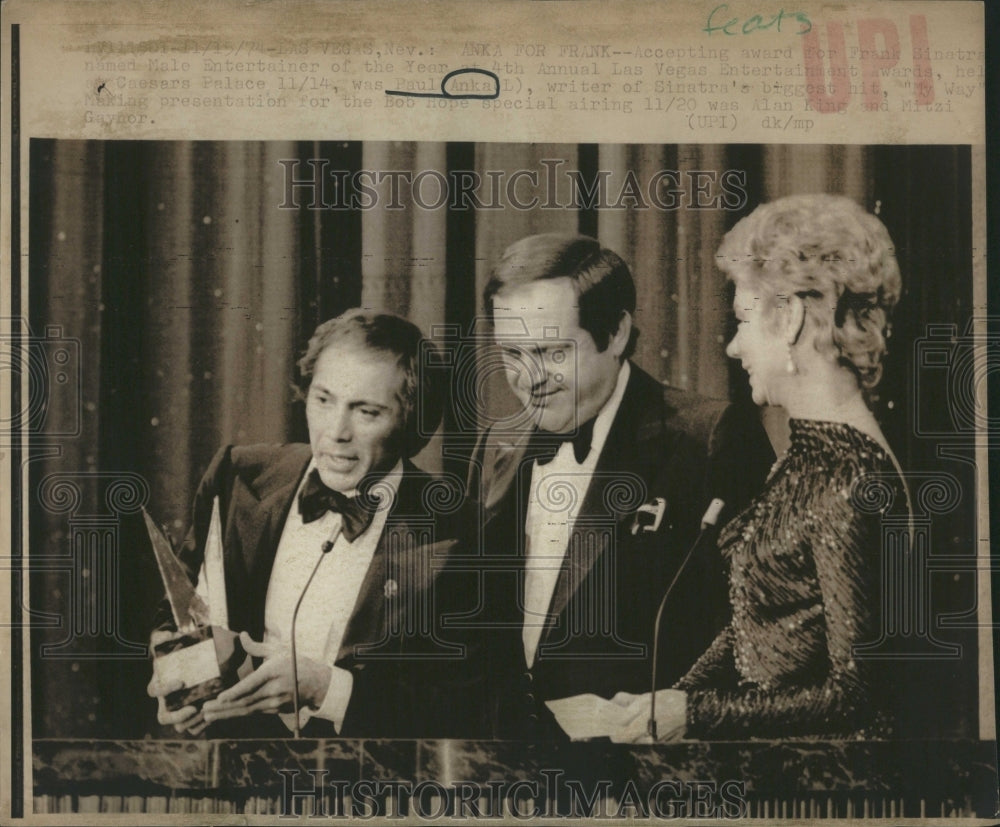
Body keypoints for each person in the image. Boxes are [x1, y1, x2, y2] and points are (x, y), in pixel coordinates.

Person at [613, 194, 911, 741]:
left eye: (745, 320)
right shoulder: (810, 456)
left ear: (791, 316)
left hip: (822, 794)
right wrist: (676, 697)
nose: (731, 346)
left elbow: (856, 694)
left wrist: (696, 713)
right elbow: (763, 618)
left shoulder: (850, 476)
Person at [146, 309, 472, 738]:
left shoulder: (457, 530)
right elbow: (181, 611)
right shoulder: (238, 476)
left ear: (410, 421)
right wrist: (179, 677)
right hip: (238, 784)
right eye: (323, 400)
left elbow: (466, 704)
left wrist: (328, 690)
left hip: (367, 792)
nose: (335, 431)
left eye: (367, 412)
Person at [466, 233, 735, 740]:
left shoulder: (708, 438)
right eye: (511, 353)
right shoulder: (495, 445)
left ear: (615, 333)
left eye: (549, 352)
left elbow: (751, 634)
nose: (528, 378)